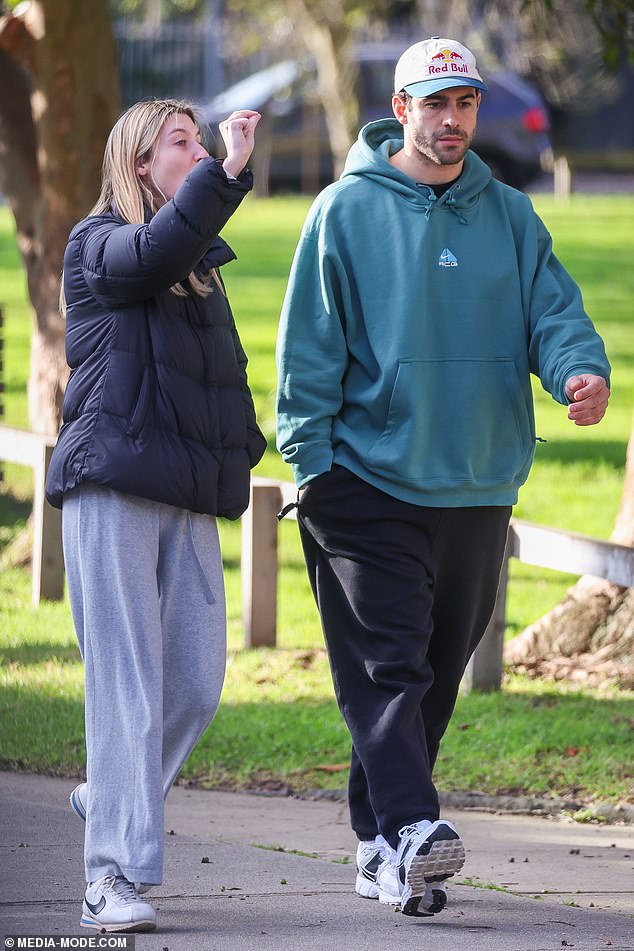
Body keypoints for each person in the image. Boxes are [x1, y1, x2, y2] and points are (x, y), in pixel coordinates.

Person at [275, 37, 610, 919]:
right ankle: (418, 826)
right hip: (363, 480)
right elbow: (306, 351)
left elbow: (553, 310)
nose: (453, 120)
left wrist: (578, 370)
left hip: (476, 481)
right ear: (401, 108)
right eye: (436, 104)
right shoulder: (344, 212)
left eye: (465, 104)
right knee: (387, 668)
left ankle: (381, 844)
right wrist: (310, 468)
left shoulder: (507, 215)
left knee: (434, 671)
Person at [45, 99, 266, 933]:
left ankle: (107, 797)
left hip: (187, 499)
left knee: (195, 684)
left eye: (202, 144)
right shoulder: (99, 245)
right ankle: (111, 872)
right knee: (127, 689)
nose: (201, 151)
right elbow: (155, 246)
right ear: (143, 163)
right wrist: (230, 172)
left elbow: (220, 383)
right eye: (184, 144)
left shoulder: (200, 273)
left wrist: (246, 451)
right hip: (112, 487)